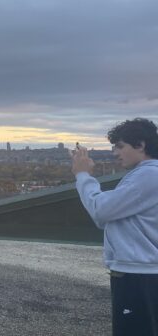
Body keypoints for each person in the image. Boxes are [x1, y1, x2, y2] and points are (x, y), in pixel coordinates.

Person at [72, 118, 158, 336]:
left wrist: (83, 175)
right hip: (141, 271)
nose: (114, 153)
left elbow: (101, 211)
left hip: (140, 273)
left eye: (120, 146)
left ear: (140, 144)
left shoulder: (149, 175)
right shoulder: (145, 175)